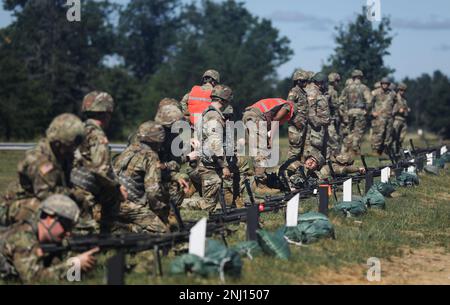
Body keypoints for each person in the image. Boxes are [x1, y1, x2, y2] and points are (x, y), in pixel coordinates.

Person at [0, 114, 85, 226]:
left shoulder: (62, 156)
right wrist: (72, 195)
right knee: (41, 209)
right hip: (14, 205)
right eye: (70, 146)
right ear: (58, 144)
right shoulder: (40, 160)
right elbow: (46, 195)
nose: (73, 150)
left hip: (42, 199)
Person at [0, 195, 98, 283]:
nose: (68, 232)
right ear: (49, 218)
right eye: (66, 225)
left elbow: (60, 269)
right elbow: (33, 279)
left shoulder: (48, 240)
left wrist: (81, 265)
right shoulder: (23, 238)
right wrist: (73, 265)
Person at [72, 91, 125, 233]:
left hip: (69, 186)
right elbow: (101, 171)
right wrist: (117, 188)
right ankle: (108, 234)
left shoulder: (78, 130)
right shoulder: (97, 136)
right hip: (84, 191)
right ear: (106, 113)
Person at [113, 121, 170, 233]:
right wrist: (160, 210)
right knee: (162, 232)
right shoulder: (151, 156)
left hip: (112, 200)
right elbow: (153, 192)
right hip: (128, 205)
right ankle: (127, 228)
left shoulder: (128, 150)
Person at [195, 85, 234, 211]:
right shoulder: (214, 117)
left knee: (214, 200)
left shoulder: (206, 112)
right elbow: (215, 143)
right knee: (209, 205)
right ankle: (185, 205)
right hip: (211, 164)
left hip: (208, 161)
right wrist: (224, 166)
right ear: (223, 100)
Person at [242, 97, 294, 187]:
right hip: (256, 117)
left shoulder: (279, 103)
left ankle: (256, 181)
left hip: (248, 116)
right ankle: (261, 185)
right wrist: (271, 139)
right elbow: (276, 120)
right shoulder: (288, 106)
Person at [339, 69, 372, 155]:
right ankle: (354, 148)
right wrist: (366, 111)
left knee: (350, 131)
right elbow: (369, 101)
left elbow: (341, 101)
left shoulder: (347, 88)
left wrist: (344, 112)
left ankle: (347, 150)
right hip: (360, 111)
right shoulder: (363, 87)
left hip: (350, 111)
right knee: (358, 131)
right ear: (360, 77)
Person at [304, 72, 331, 159]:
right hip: (315, 128)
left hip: (321, 126)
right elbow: (311, 114)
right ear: (320, 82)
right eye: (325, 82)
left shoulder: (319, 92)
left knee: (323, 148)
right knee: (314, 149)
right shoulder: (312, 92)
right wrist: (320, 123)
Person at [286, 69, 310, 159]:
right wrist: (296, 121)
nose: (306, 83)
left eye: (306, 81)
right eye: (304, 81)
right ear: (297, 81)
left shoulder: (302, 92)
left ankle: (298, 170)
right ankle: (288, 169)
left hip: (302, 125)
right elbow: (288, 107)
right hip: (295, 126)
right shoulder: (294, 91)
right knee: (294, 150)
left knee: (301, 150)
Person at [371, 77, 397, 155]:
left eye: (386, 84)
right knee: (379, 134)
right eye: (383, 83)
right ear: (381, 84)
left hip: (389, 117)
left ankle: (385, 151)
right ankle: (375, 150)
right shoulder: (375, 93)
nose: (385, 85)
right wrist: (372, 112)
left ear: (389, 85)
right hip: (379, 118)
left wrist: (394, 111)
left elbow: (396, 103)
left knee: (388, 135)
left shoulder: (392, 93)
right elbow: (369, 103)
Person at [327, 72, 344, 155]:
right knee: (333, 140)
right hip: (330, 119)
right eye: (338, 81)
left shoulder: (334, 91)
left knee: (336, 138)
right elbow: (326, 104)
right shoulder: (330, 91)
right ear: (334, 81)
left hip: (334, 119)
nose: (339, 83)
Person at [392, 83, 410, 153]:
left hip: (403, 119)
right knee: (394, 136)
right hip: (397, 119)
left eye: (404, 90)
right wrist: (398, 110)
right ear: (398, 90)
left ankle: (398, 150)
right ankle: (393, 151)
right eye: (401, 90)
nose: (402, 92)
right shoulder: (395, 97)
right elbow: (391, 107)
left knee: (401, 137)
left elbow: (404, 107)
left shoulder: (404, 99)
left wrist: (407, 109)